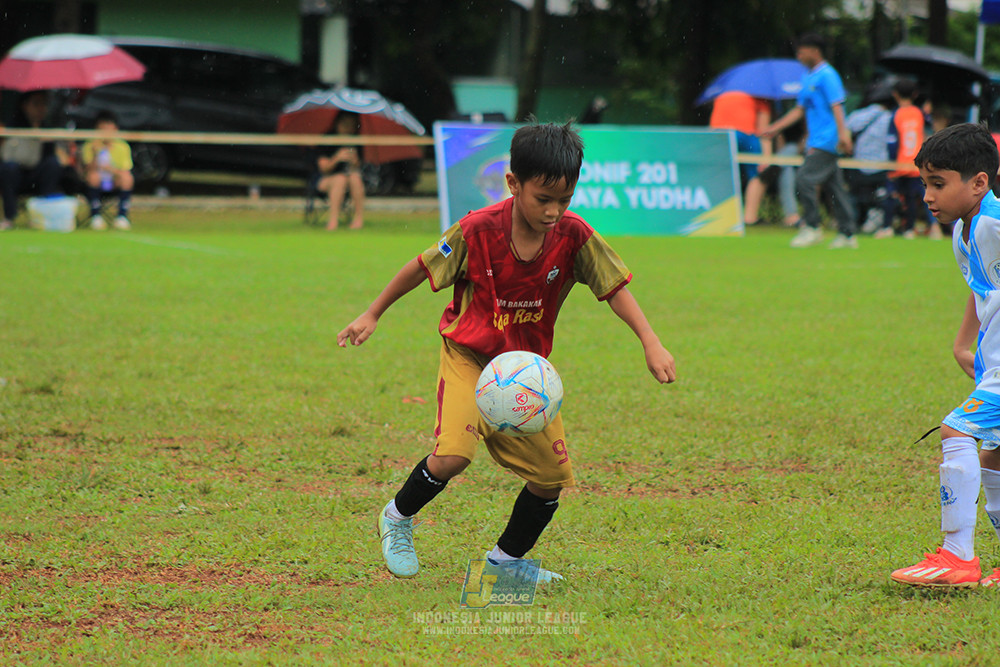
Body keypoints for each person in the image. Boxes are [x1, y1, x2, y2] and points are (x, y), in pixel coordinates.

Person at [337, 121, 677, 582]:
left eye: (565, 199)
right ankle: (397, 517)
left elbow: (614, 287)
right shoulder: (477, 230)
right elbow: (419, 268)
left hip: (525, 370)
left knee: (551, 479)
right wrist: (372, 313)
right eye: (544, 199)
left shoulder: (574, 236)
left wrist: (650, 341)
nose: (555, 211)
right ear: (513, 184)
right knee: (454, 456)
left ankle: (504, 566)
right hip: (470, 359)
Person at [890, 122, 1000, 589]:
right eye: (925, 185)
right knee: (995, 456)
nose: (929, 196)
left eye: (939, 183)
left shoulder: (995, 223)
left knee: (958, 429)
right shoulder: (963, 231)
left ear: (978, 182)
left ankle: (958, 556)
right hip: (993, 362)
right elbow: (983, 289)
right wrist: (965, 344)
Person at [761, 32, 857, 248]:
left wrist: (844, 134)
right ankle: (848, 234)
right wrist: (774, 129)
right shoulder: (808, 77)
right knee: (835, 187)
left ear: (815, 51)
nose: (799, 56)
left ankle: (812, 227)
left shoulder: (828, 75)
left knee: (804, 179)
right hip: (816, 139)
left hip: (828, 139)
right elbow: (799, 111)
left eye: (802, 51)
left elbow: (837, 106)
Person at [0, 90, 66, 231]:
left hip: (37, 176)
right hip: (16, 175)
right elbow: (7, 155)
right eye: (36, 104)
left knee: (52, 164)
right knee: (7, 169)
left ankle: (43, 214)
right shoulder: (12, 125)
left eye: (44, 104)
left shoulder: (46, 128)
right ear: (25, 105)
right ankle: (9, 217)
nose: (41, 108)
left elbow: (54, 156)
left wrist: (46, 142)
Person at [883, 79, 938, 240]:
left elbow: (892, 141)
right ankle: (912, 229)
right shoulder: (920, 113)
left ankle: (887, 227)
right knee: (916, 198)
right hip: (916, 164)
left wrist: (891, 161)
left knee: (892, 195)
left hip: (899, 163)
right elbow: (931, 130)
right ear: (914, 94)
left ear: (895, 94)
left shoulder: (896, 114)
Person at [709, 90, 772, 226]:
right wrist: (766, 159)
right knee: (757, 174)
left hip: (718, 134)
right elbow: (763, 132)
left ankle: (717, 216)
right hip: (744, 134)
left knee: (720, 174)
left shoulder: (722, 95)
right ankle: (749, 217)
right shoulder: (760, 98)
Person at [845, 98, 892, 237]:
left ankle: (854, 222)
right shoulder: (889, 117)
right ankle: (878, 222)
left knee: (857, 196)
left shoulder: (858, 115)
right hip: (882, 164)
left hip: (859, 164)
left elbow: (845, 130)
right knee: (880, 196)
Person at [80, 109, 134, 231]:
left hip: (114, 182)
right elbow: (87, 170)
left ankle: (122, 216)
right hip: (95, 182)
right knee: (93, 176)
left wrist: (109, 169)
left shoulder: (122, 146)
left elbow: (125, 170)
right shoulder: (90, 145)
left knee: (127, 178)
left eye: (108, 128)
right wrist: (94, 155)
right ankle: (95, 216)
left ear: (115, 129)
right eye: (102, 128)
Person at [316, 112, 365, 231]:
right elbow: (323, 168)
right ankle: (333, 220)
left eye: (352, 125)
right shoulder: (327, 140)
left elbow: (359, 167)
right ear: (337, 124)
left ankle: (358, 219)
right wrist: (337, 158)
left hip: (349, 180)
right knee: (340, 179)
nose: (348, 128)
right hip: (326, 180)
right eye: (345, 124)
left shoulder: (355, 142)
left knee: (355, 178)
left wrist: (354, 161)